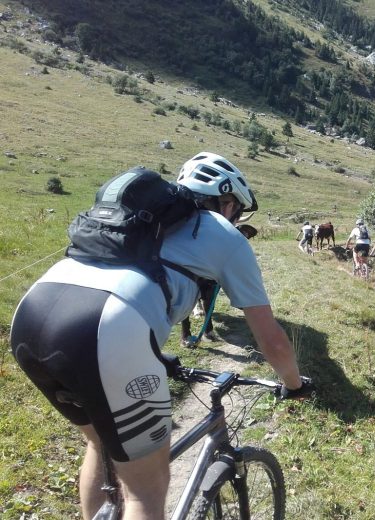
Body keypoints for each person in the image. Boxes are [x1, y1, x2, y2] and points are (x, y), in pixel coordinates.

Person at [10, 152, 311, 519]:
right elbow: (272, 340)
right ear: (227, 201)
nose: (234, 218)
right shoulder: (223, 233)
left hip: (32, 312)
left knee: (101, 443)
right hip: (107, 328)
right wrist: (294, 385)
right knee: (144, 488)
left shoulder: (140, 219)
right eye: (236, 210)